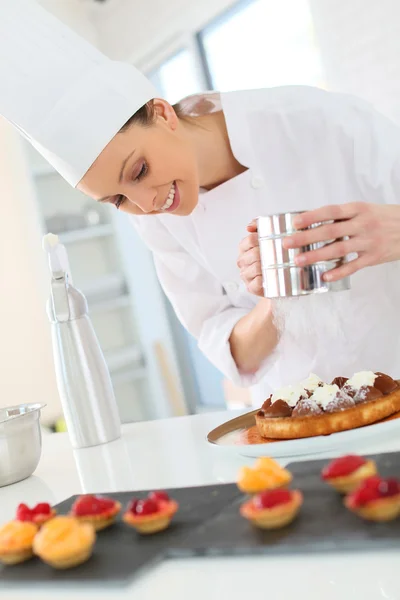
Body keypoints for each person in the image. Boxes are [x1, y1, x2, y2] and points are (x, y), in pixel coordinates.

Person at [1, 0, 400, 407]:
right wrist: (276, 296)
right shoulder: (153, 220)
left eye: (138, 170)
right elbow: (232, 353)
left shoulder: (315, 120)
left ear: (161, 113)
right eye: (118, 198)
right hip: (297, 423)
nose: (147, 204)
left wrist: (393, 230)